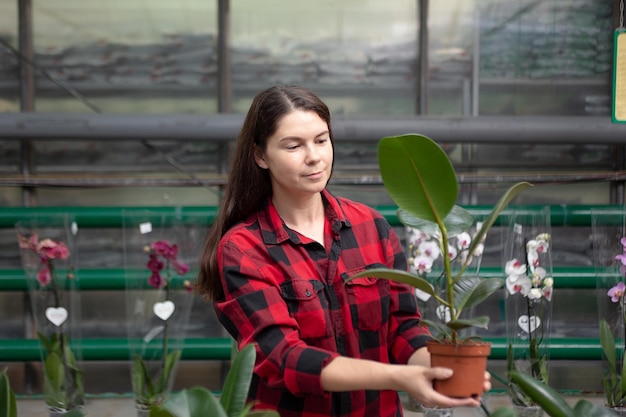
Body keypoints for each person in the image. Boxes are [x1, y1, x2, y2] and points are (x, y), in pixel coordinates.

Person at [196, 85, 490, 417]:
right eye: (293, 145)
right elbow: (285, 358)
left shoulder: (371, 227)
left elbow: (403, 328)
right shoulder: (244, 250)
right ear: (260, 155)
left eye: (321, 140)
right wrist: (402, 377)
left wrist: (438, 370)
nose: (314, 156)